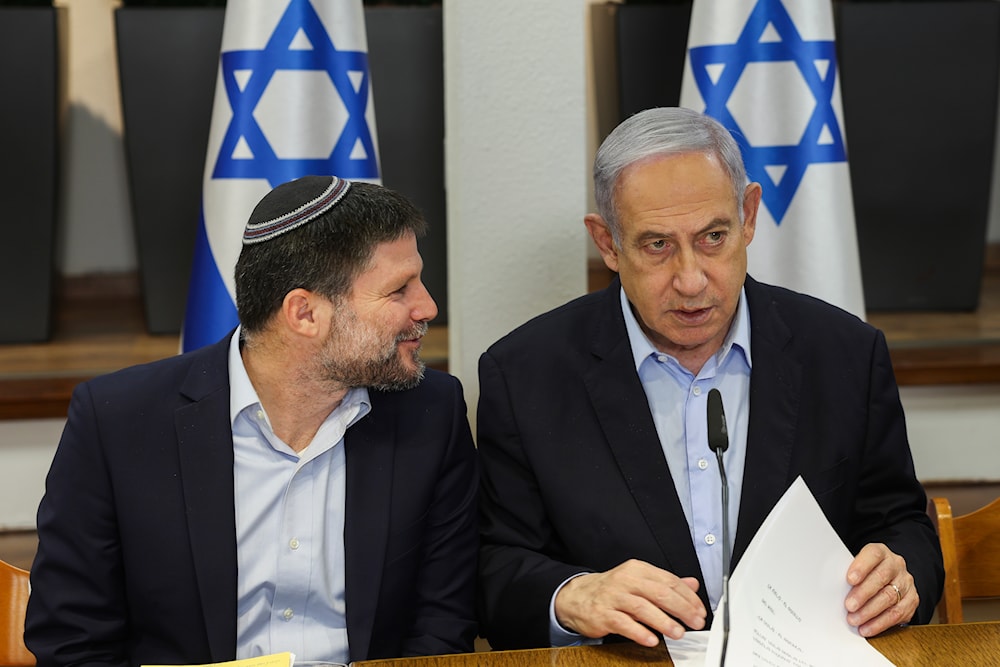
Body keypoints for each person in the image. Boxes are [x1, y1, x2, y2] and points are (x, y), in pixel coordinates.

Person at [476, 107, 943, 650]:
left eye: (713, 237)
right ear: (607, 243)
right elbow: (494, 569)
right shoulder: (525, 374)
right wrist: (573, 596)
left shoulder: (843, 354)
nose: (692, 280)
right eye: (657, 245)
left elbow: (901, 523)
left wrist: (901, 575)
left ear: (748, 216)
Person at [25, 175, 479, 666]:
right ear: (303, 313)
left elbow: (443, 624)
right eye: (398, 291)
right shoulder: (118, 421)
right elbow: (71, 639)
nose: (427, 307)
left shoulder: (432, 412)